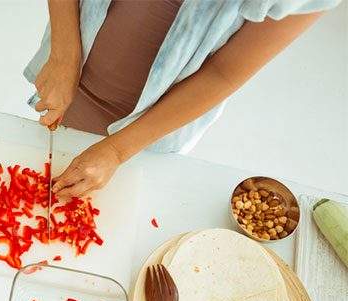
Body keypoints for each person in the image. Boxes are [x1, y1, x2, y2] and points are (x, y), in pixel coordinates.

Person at [25, 0, 341, 198]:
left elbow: (223, 74)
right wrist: (64, 54)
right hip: (69, 84)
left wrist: (118, 150)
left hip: (150, 131)